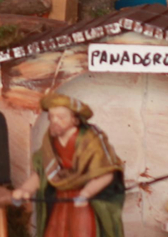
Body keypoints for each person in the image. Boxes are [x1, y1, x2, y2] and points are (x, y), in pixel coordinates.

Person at [12, 93, 125, 237]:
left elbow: (106, 173)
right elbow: (41, 173)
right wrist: (25, 190)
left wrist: (87, 193)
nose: (55, 121)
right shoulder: (50, 141)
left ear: (75, 119)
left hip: (84, 203)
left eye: (61, 117)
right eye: (51, 117)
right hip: (60, 201)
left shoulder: (91, 140)